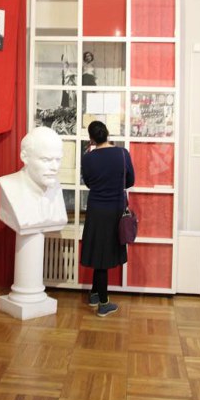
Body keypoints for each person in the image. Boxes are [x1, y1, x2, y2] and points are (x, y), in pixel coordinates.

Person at [81, 120, 135, 317]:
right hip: (115, 209)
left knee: (99, 252)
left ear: (91, 139)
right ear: (107, 133)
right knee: (103, 257)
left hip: (96, 209)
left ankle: (95, 294)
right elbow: (130, 181)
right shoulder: (122, 153)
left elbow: (88, 183)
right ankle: (103, 304)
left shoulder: (87, 158)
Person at [0, 126, 67, 233]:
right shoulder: (8, 185)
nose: (55, 167)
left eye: (58, 159)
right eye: (46, 160)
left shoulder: (55, 185)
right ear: (25, 157)